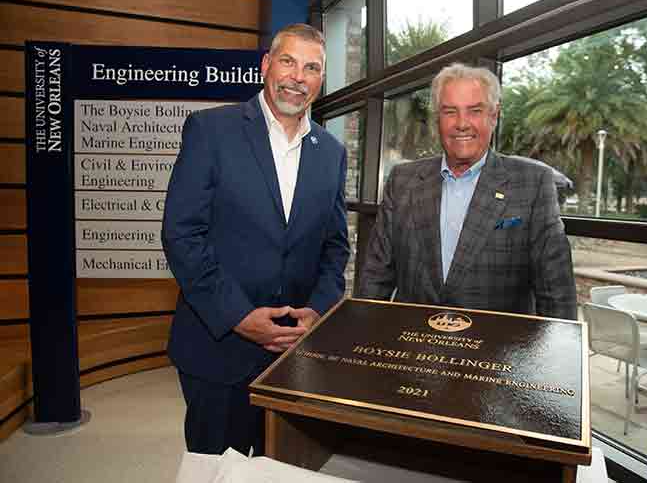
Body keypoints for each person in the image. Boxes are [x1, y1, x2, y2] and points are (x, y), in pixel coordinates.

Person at [162, 23, 349, 456]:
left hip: (292, 354)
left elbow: (335, 247)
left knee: (278, 467)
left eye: (311, 67)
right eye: (288, 61)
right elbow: (181, 234)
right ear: (266, 65)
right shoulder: (211, 131)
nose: (297, 77)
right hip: (217, 349)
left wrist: (318, 311)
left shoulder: (332, 152)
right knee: (213, 469)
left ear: (321, 80)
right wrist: (238, 316)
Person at [358, 63, 576, 320]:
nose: (462, 124)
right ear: (438, 118)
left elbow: (556, 293)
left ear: (493, 117)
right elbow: (376, 278)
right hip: (413, 349)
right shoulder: (402, 180)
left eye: (474, 111)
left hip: (497, 353)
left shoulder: (533, 183)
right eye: (450, 112)